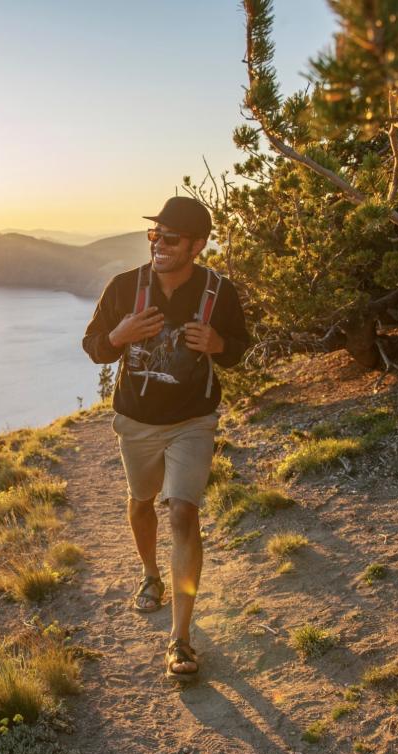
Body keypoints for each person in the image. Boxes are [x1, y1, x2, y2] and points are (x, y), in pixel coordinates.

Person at [81, 196, 250, 681]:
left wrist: (218, 345)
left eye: (171, 238)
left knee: (182, 511)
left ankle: (180, 639)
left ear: (197, 245)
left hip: (193, 421)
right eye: (154, 235)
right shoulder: (123, 288)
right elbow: (93, 347)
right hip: (136, 422)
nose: (159, 244)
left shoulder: (219, 292)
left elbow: (239, 349)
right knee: (141, 502)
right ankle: (150, 575)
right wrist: (119, 335)